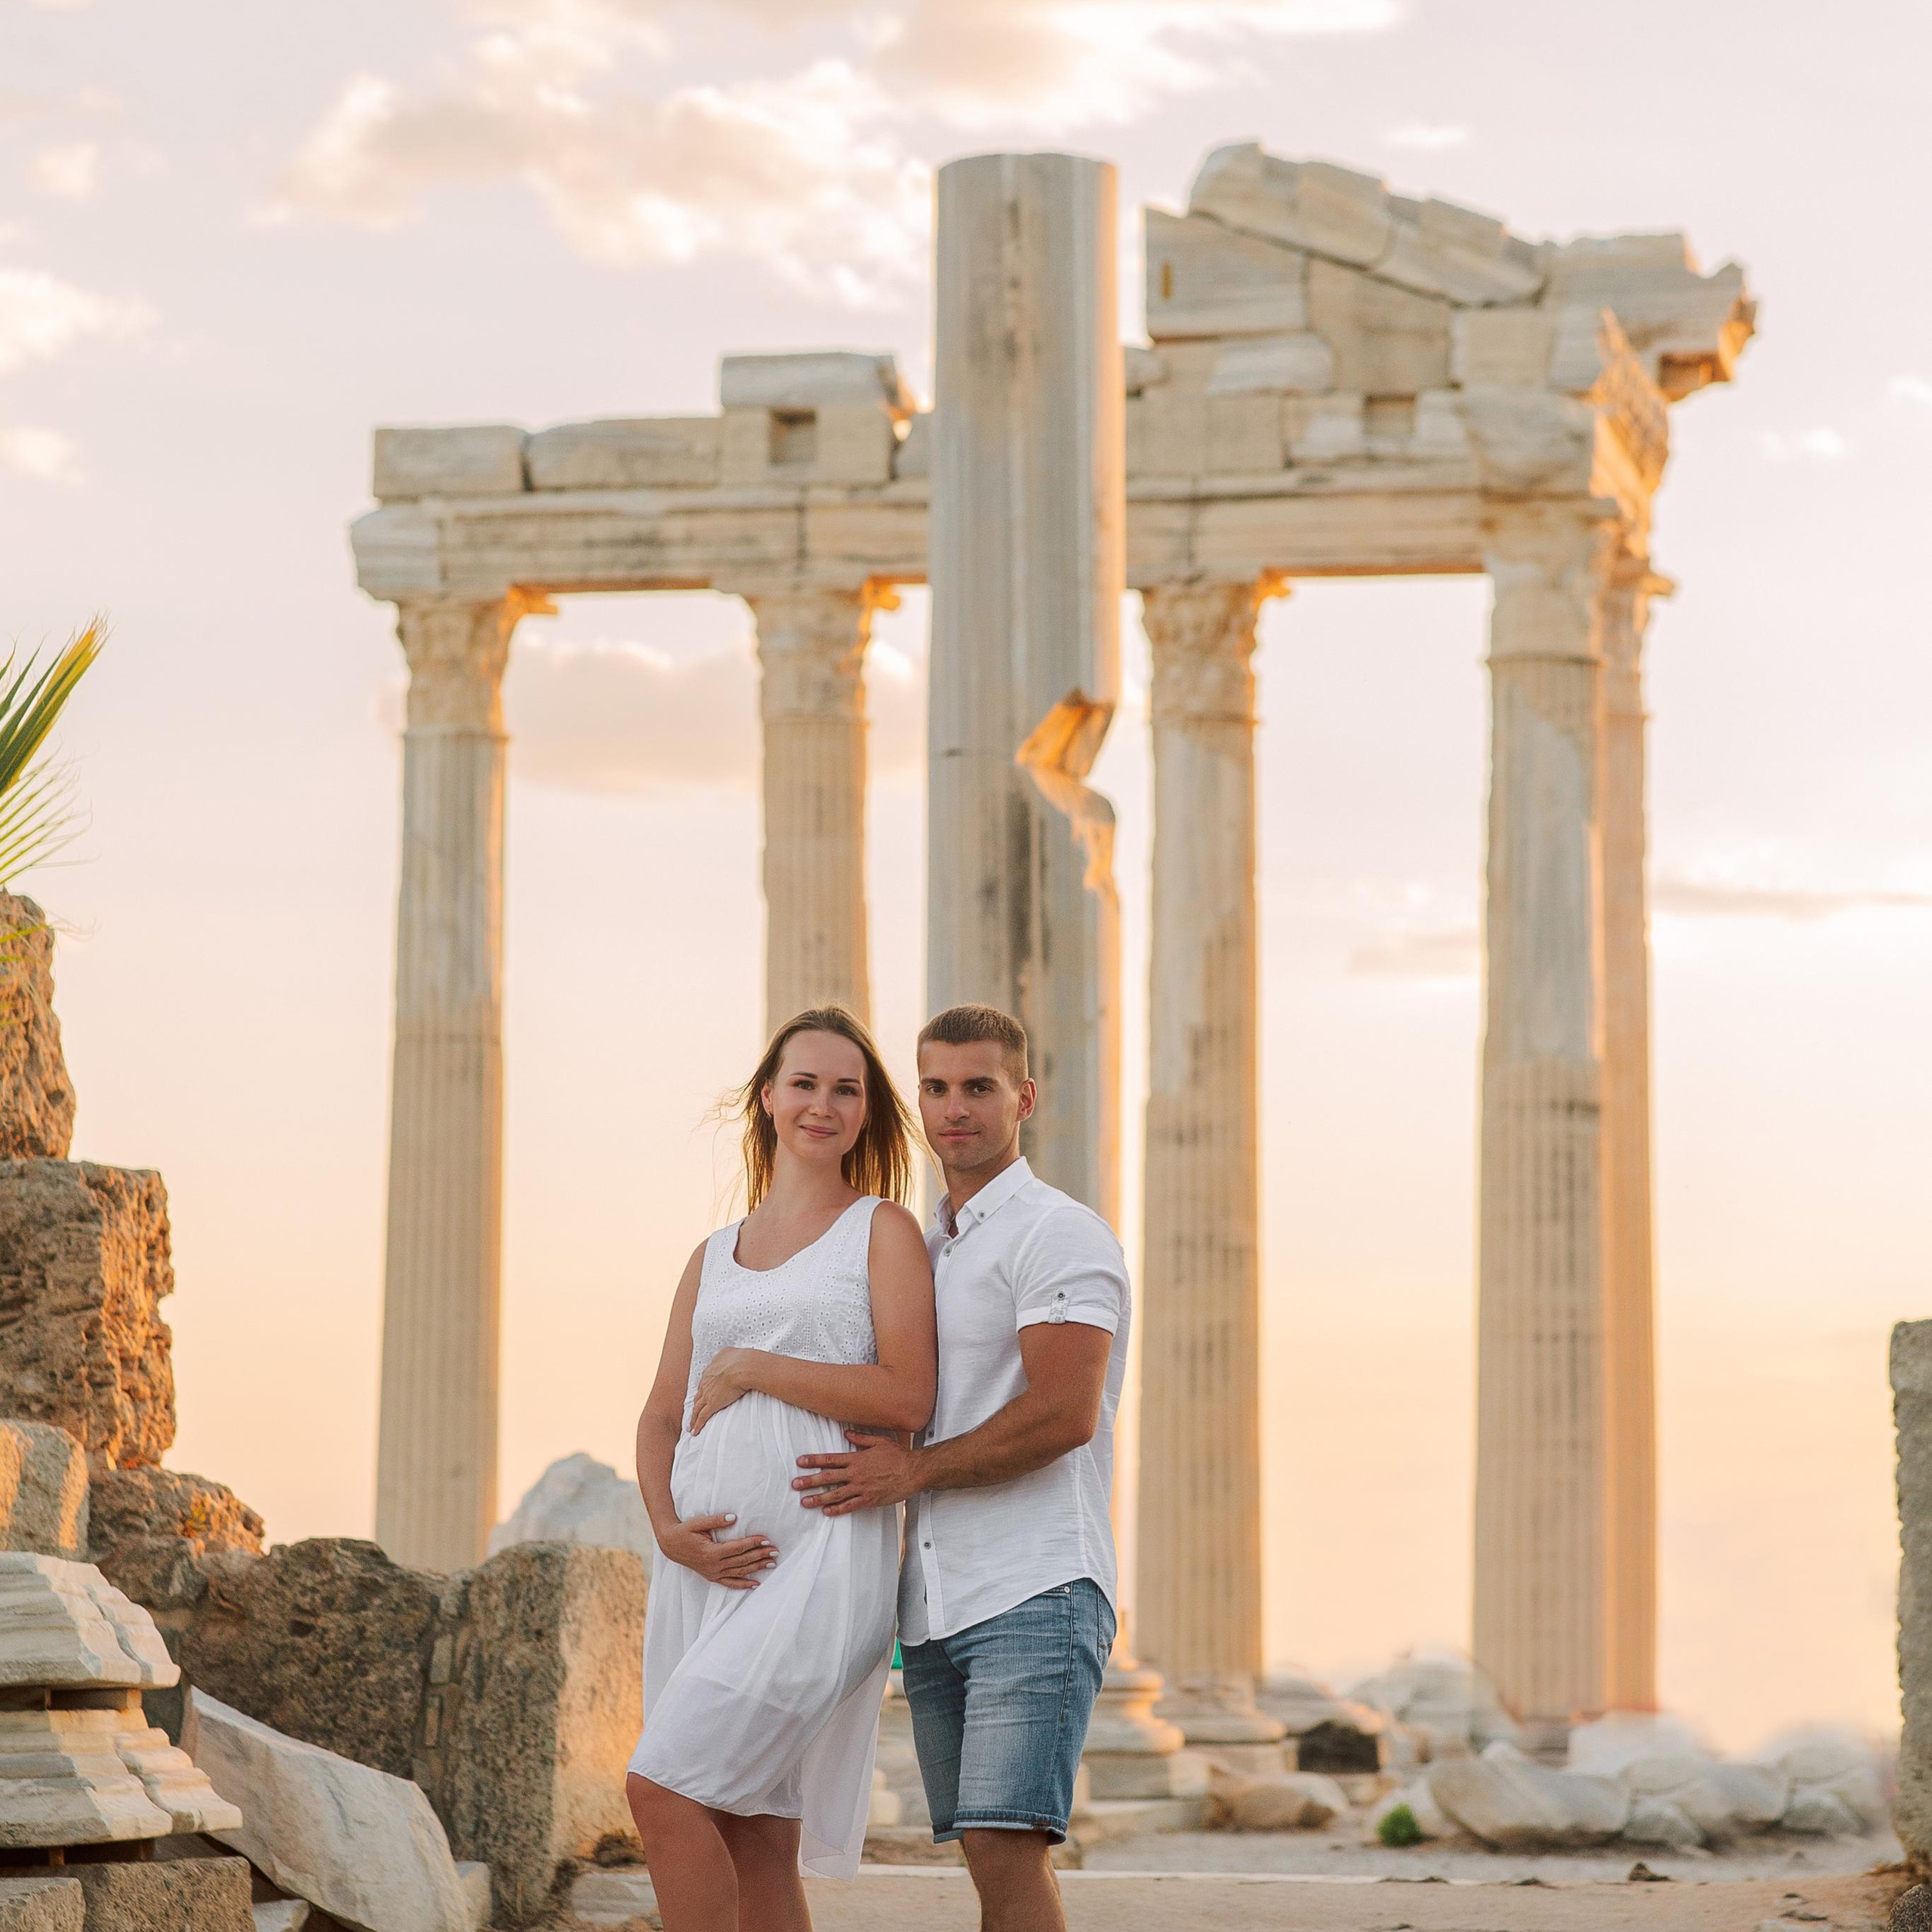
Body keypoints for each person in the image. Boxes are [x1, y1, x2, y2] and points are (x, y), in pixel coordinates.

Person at [794, 1003, 1130, 1932]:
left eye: (978, 1086)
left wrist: (912, 1472)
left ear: (1023, 1096)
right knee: (991, 1857)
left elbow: (1064, 1414)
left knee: (1004, 1847)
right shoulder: (925, 1246)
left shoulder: (1058, 1233)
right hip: (934, 1600)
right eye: (936, 1087)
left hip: (1037, 1582)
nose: (954, 1108)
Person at [627, 1006, 937, 1932]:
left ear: (866, 1113)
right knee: (750, 1825)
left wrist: (756, 1365)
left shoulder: (881, 1230)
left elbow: (907, 1395)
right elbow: (658, 1415)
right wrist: (668, 1531)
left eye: (847, 1089)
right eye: (804, 1083)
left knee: (661, 1791)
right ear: (767, 1098)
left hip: (818, 1571)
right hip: (705, 1576)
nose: (823, 1103)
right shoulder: (711, 1256)